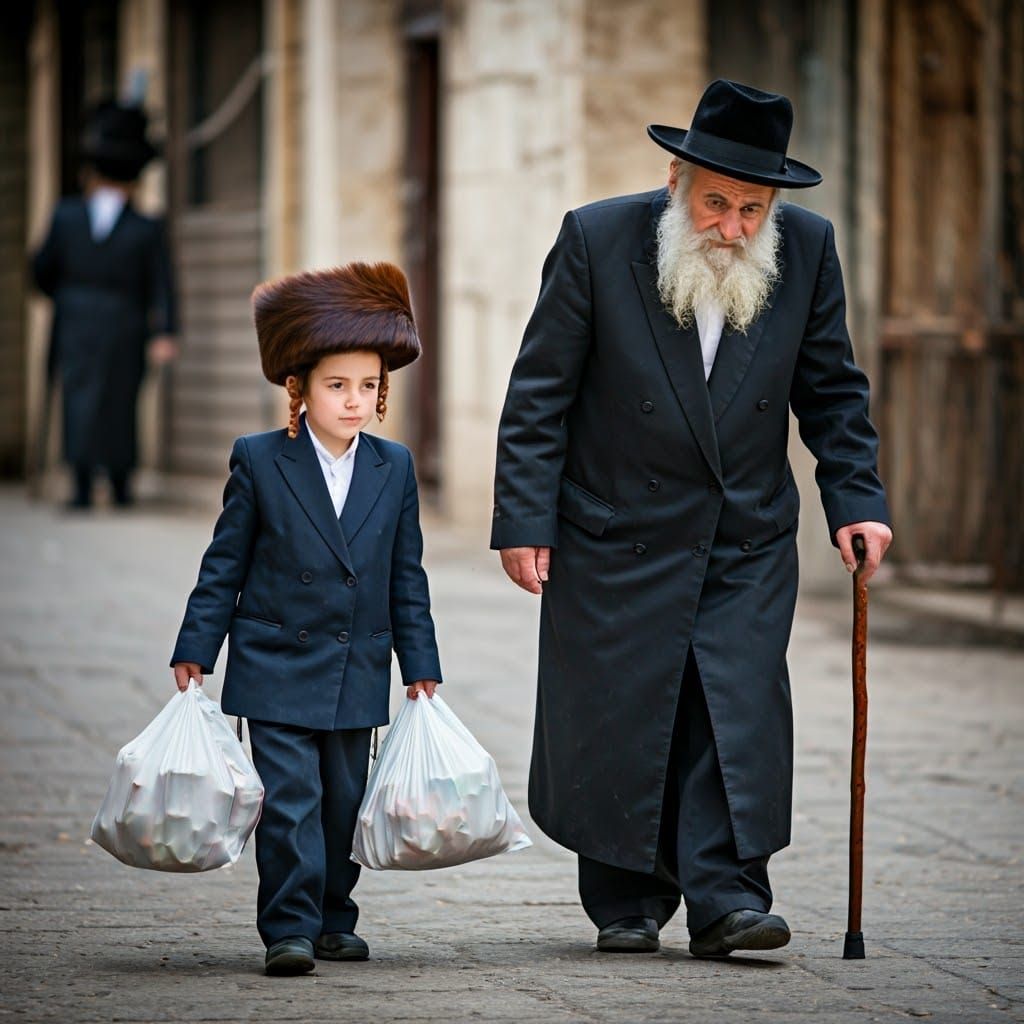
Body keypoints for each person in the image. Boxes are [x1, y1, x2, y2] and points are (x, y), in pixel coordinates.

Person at [491, 79, 893, 958]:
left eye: (754, 208)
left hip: (743, 535)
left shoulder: (810, 250)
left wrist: (856, 502)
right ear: (677, 179)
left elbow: (833, 393)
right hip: (614, 531)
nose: (735, 226)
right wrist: (525, 518)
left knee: (732, 709)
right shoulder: (598, 238)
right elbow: (539, 395)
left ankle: (727, 898)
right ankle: (627, 900)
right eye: (718, 202)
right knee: (624, 711)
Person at [169, 262, 443, 976]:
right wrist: (197, 646)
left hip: (357, 665)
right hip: (275, 662)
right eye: (337, 385)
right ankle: (287, 926)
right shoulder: (260, 461)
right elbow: (223, 562)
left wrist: (421, 667)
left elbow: (405, 576)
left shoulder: (395, 467)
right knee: (290, 802)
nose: (355, 401)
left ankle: (332, 919)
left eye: (369, 386)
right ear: (299, 389)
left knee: (342, 804)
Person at [32, 100, 178, 508]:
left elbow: (161, 281)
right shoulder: (72, 217)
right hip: (96, 319)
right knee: (94, 401)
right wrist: (164, 329)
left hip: (108, 320)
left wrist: (165, 328)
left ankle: (115, 481)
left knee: (115, 401)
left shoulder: (129, 224)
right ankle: (87, 481)